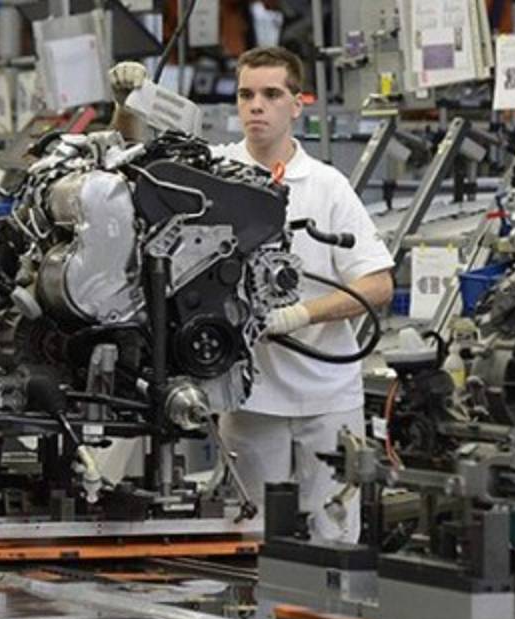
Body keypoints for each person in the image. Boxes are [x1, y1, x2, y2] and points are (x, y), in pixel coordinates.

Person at [110, 48, 394, 542]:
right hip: (249, 397)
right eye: (246, 95)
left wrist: (300, 315)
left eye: (271, 94)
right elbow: (128, 169)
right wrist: (125, 106)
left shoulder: (326, 186)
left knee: (335, 534)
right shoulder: (211, 174)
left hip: (327, 396)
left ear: (297, 104)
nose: (256, 105)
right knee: (252, 537)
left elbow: (377, 284)